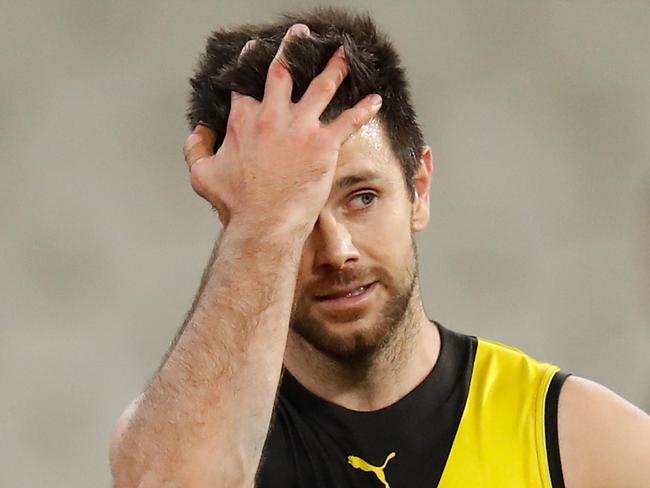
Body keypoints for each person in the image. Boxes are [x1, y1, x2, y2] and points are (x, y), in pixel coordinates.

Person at [109, 7, 650, 488]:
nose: (337, 250)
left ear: (418, 189)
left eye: (362, 197)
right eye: (297, 217)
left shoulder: (581, 440)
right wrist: (263, 222)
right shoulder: (185, 436)